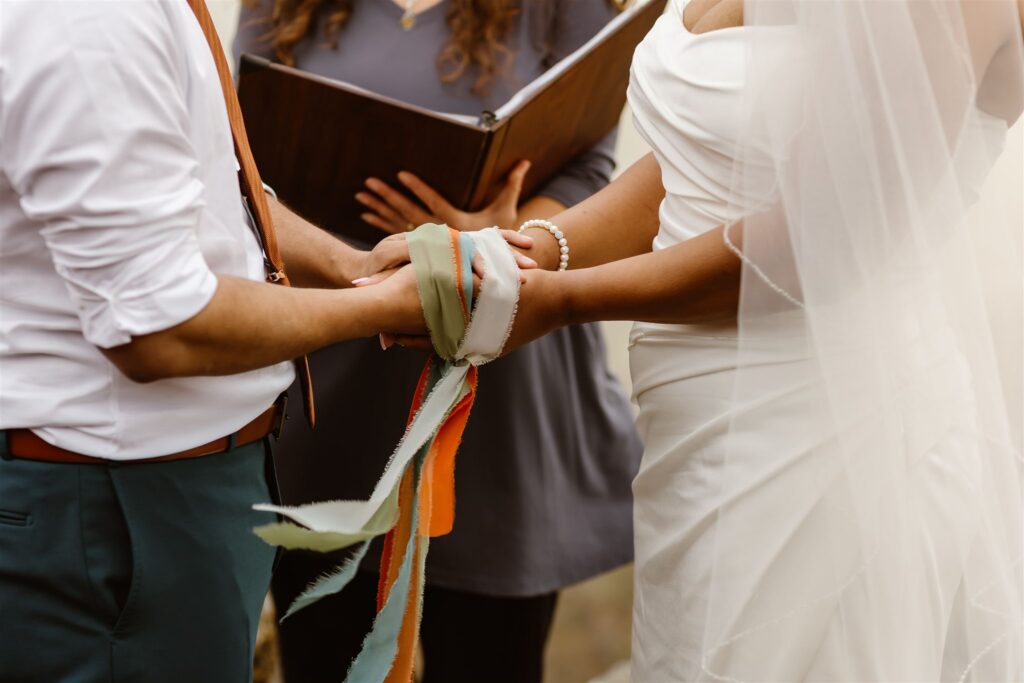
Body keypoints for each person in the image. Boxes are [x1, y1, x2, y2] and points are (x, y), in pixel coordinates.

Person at [383, 0, 1024, 679]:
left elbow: (820, 237)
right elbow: (699, 161)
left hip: (828, 449)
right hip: (691, 441)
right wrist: (532, 253)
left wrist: (558, 302)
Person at [0, 2, 437, 680]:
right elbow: (159, 327)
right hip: (114, 512)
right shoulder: (91, 17)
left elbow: (203, 189)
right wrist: (381, 306)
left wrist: (350, 264)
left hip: (164, 493)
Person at [233, 1, 642, 681]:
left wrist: (505, 236)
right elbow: (242, 164)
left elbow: (588, 168)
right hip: (332, 380)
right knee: (325, 651)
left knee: (489, 655)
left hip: (498, 386)